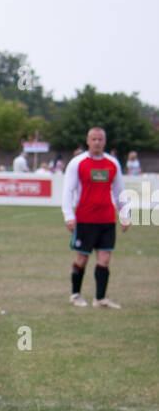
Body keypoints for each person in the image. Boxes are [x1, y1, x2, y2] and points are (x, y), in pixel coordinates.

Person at [63, 126, 129, 308]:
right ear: (88, 141)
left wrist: (124, 214)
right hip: (85, 219)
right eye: (94, 139)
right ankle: (75, 295)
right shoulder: (78, 163)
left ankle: (100, 299)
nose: (97, 142)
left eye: (100, 139)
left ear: (105, 142)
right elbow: (68, 191)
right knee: (82, 259)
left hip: (107, 219)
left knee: (105, 258)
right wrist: (69, 216)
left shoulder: (112, 163)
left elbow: (119, 191)